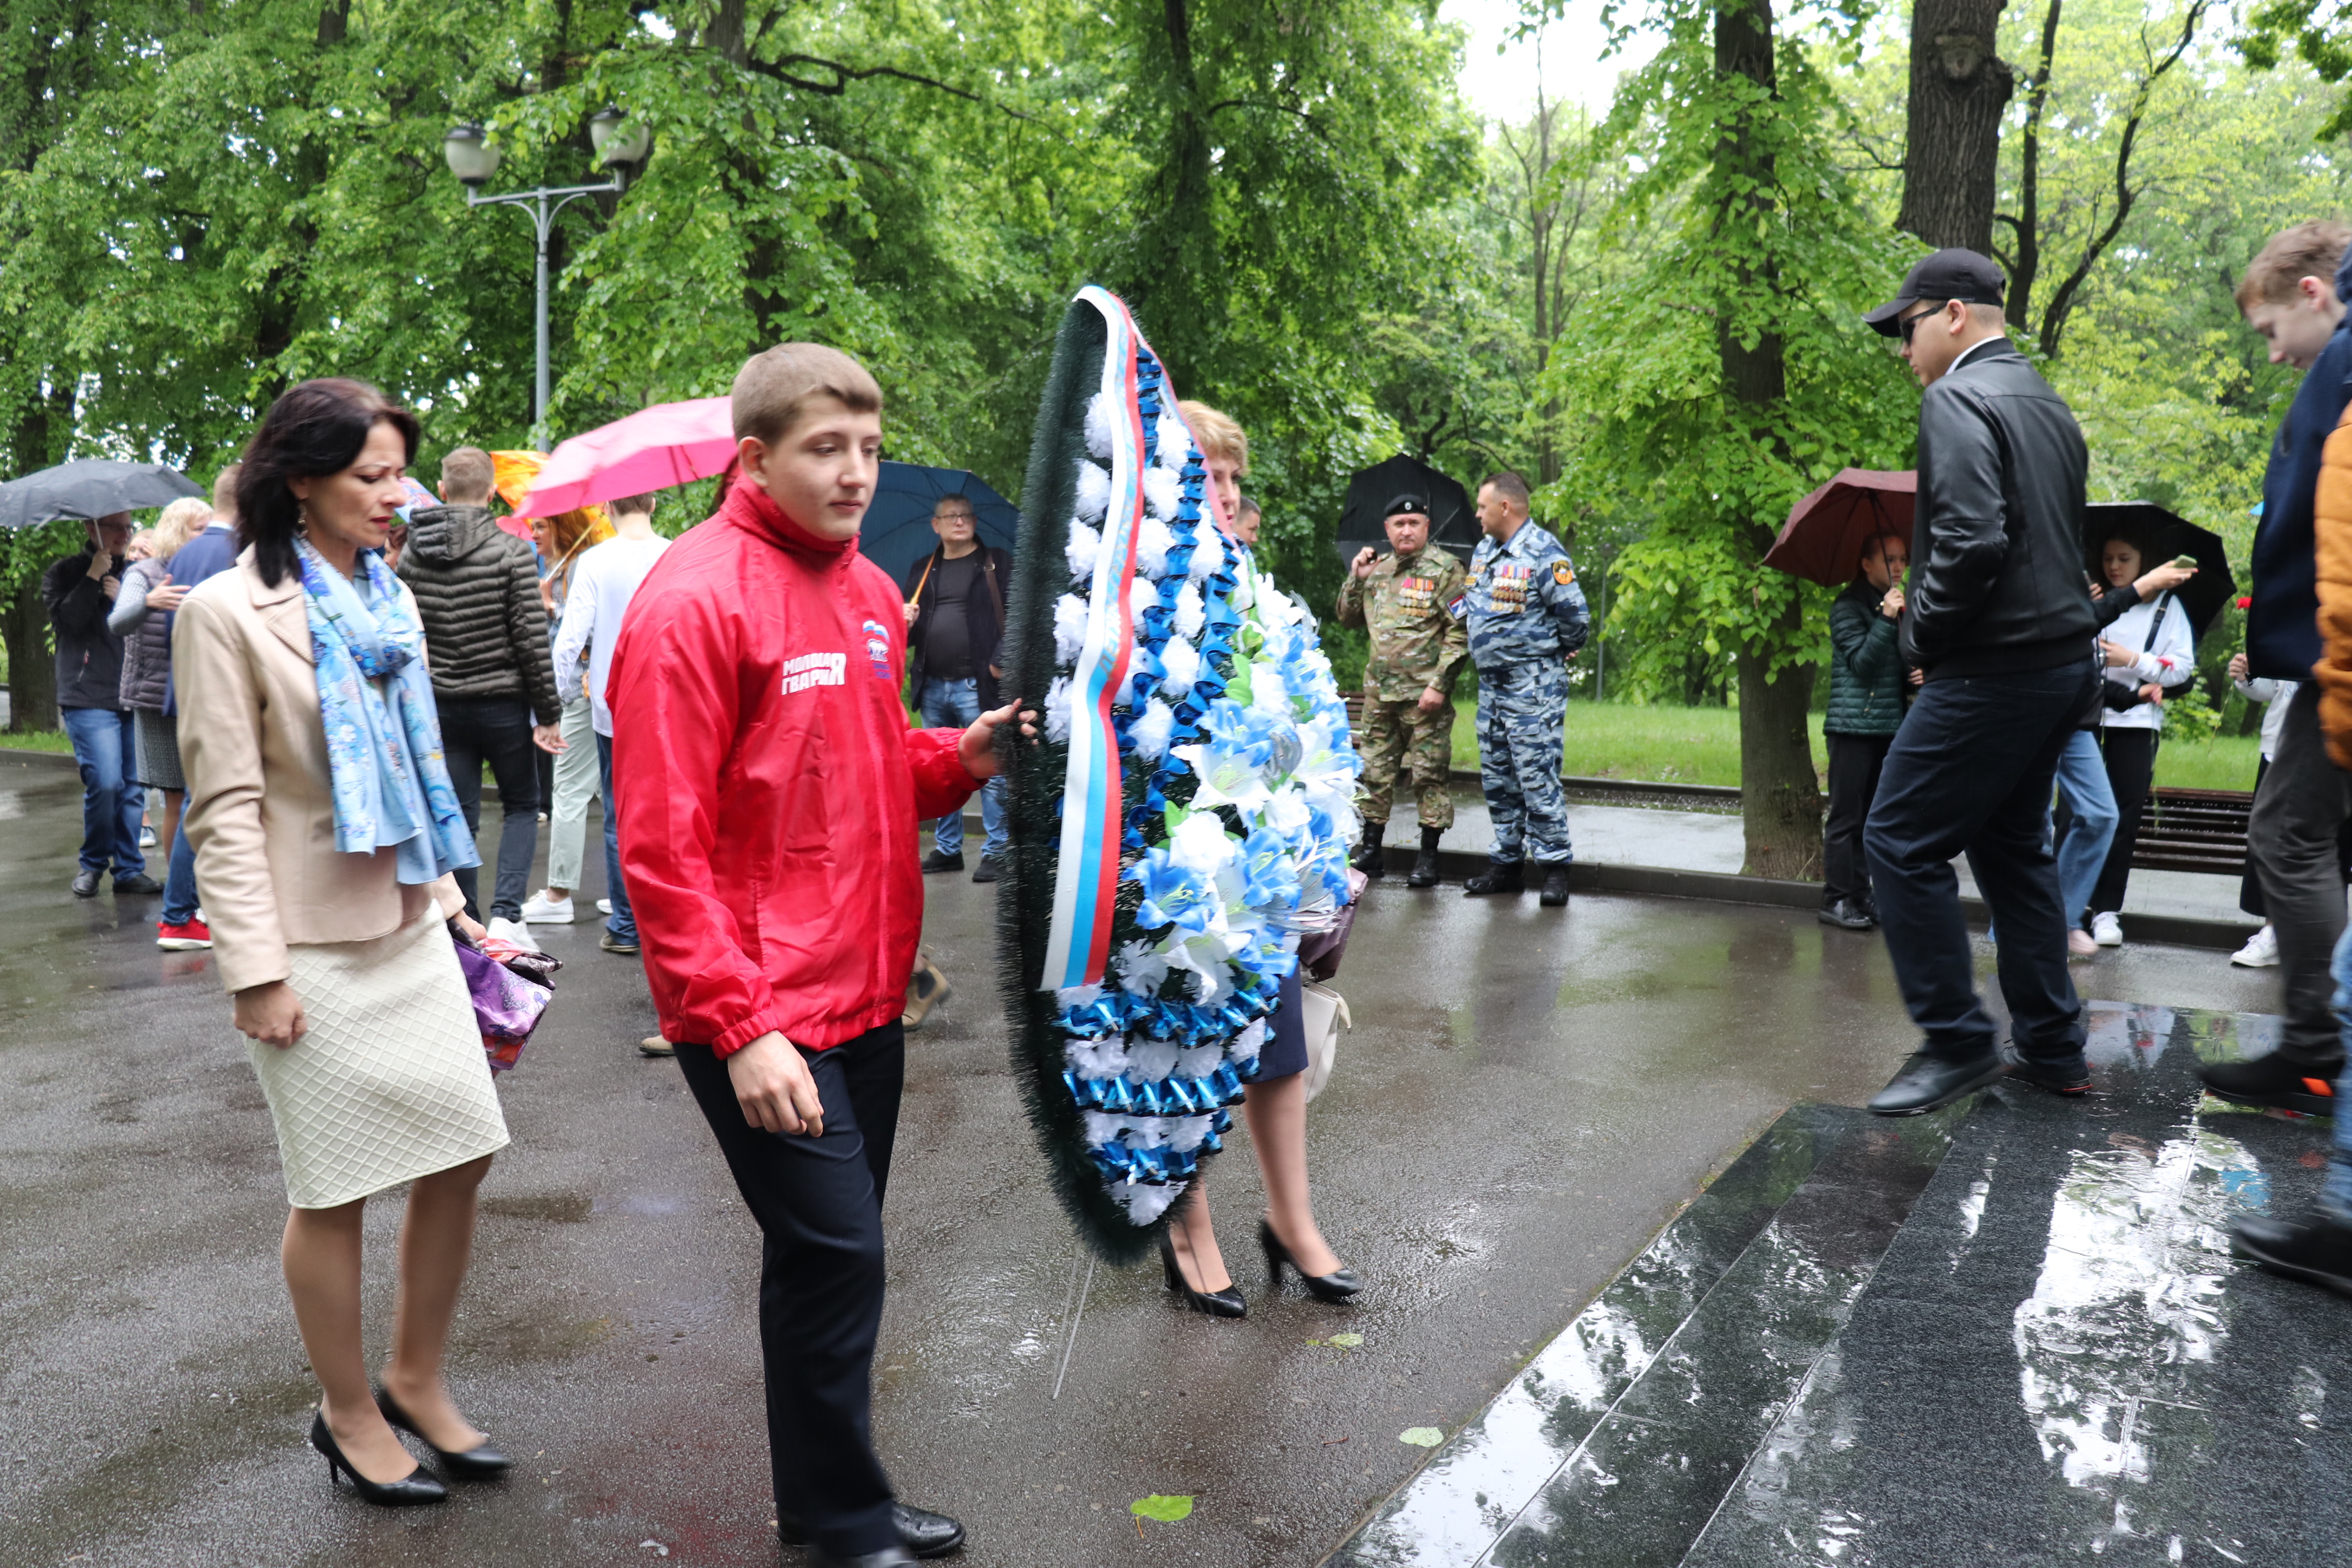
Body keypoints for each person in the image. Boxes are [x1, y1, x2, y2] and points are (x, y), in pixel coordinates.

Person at [611, 344, 1025, 1567]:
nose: (856, 472)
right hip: (762, 1010)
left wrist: (967, 758)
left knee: (825, 1261)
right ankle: (842, 1519)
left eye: (871, 446)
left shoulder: (861, 593)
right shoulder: (693, 600)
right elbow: (662, 847)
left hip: (866, 989)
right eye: (825, 448)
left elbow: (870, 760)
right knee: (840, 1249)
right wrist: (738, 1027)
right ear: (756, 458)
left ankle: (828, 1495)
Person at [175, 377, 509, 1508]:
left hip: (409, 916)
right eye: (370, 476)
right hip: (304, 941)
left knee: (464, 1145)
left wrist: (460, 904)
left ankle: (416, 1376)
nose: (394, 496)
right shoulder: (224, 611)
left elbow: (422, 772)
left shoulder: (390, 595)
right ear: (300, 479)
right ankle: (349, 1408)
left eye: (398, 474)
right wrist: (254, 973)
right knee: (334, 1187)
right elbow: (221, 807)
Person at [1857, 247, 2101, 1117]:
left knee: (1895, 840)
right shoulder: (2045, 401)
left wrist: (1920, 633)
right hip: (2063, 666)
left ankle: (1958, 1039)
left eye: (1907, 328)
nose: (1902, 349)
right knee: (2014, 850)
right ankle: (2052, 1044)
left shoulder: (1958, 396)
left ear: (1953, 313)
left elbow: (1971, 544)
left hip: (1998, 667)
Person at [1151, 398, 1364, 1321]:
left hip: (1264, 867)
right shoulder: (1143, 599)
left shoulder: (1268, 603)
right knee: (1183, 1054)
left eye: (1237, 478)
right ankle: (1187, 1230)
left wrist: (1317, 833)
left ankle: (1293, 1222)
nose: (1229, 494)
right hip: (1172, 873)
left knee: (1276, 1050)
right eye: (1210, 476)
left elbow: (1308, 725)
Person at [2202, 221, 2352, 1118]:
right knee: (2290, 833)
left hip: (2340, 656)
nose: (2270, 357)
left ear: (2311, 294)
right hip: (2329, 652)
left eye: (2269, 335)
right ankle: (2313, 1044)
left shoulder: (2342, 366)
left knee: (2287, 835)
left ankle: (2313, 1047)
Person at [396, 447, 564, 942]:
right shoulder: (512, 552)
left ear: (442, 491)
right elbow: (532, 639)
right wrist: (547, 713)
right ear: (492, 493)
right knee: (520, 804)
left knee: (458, 814)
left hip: (442, 706)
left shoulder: (410, 555)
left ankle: (463, 922)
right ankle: (506, 916)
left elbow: (409, 636)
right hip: (503, 703)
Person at [1459, 471, 1590, 907]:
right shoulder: (1483, 552)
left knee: (1536, 775)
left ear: (1505, 507)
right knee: (1498, 777)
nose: (1477, 514)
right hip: (1492, 687)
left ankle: (1554, 868)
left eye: (1482, 506)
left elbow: (1576, 618)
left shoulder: (1544, 552)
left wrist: (1553, 652)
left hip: (1532, 685)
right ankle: (1507, 865)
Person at [549, 491, 669, 961]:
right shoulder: (673, 554)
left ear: (609, 509)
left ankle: (626, 924)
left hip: (613, 706)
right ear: (654, 504)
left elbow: (569, 640)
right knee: (667, 814)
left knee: (621, 816)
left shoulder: (595, 562)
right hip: (667, 703)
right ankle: (666, 920)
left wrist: (563, 692)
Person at [1337, 496, 1468, 887]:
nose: (1406, 530)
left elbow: (1459, 634)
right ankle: (1372, 851)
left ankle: (1428, 857)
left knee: (1428, 776)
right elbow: (1346, 617)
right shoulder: (1378, 571)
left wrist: (1439, 686)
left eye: (1414, 522)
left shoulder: (1447, 570)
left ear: (1427, 527)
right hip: (1380, 697)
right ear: (1387, 530)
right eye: (1399, 523)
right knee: (1374, 774)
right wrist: (1356, 577)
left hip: (1424, 698)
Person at [2081, 533, 2196, 948]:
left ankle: (2107, 910)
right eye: (2108, 558)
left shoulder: (2167, 607)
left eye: (2124, 559)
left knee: (2123, 817)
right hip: (2086, 717)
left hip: (2139, 722)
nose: (2115, 566)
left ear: (2143, 560)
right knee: (2078, 815)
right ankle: (2072, 906)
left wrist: (2131, 660)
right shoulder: (2092, 598)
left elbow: (2181, 670)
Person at [109, 496, 214, 946]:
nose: (206, 536)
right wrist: (150, 602)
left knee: (205, 797)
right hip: (156, 701)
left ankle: (201, 892)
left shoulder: (208, 569)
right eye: (198, 528)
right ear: (175, 529)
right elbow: (117, 622)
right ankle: (183, 899)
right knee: (177, 799)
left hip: (200, 696)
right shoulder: (145, 573)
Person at [152, 466, 247, 936]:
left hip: (185, 689)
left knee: (199, 799)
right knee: (204, 802)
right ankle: (179, 916)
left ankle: (187, 911)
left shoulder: (186, 554)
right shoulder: (240, 554)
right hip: (222, 695)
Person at [45, 510, 160, 898]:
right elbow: (68, 623)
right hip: (86, 693)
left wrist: (122, 602)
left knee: (132, 787)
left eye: (129, 527)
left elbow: (151, 630)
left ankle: (128, 869)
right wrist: (93, 577)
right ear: (90, 528)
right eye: (115, 526)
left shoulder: (137, 575)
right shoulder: (65, 573)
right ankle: (93, 864)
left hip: (131, 690)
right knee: (106, 781)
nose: (124, 534)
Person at [901, 492, 1012, 881]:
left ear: (975, 522)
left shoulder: (996, 562)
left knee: (990, 769)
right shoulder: (922, 569)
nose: (959, 522)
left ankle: (997, 850)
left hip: (976, 684)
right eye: (950, 517)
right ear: (937, 525)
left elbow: (1019, 614)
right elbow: (907, 640)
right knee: (941, 769)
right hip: (933, 685)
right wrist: (904, 622)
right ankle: (948, 850)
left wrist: (1002, 659)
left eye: (965, 515)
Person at [520, 506, 614, 926]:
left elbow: (583, 635)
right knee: (608, 794)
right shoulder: (562, 567)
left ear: (562, 526)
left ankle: (558, 894)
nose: (534, 532)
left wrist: (549, 607)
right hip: (595, 692)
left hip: (580, 693)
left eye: (540, 525)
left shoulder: (577, 567)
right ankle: (624, 894)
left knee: (570, 793)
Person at [1820, 531, 1910, 930]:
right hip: (1852, 726)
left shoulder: (1899, 606)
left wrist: (1916, 675)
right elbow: (1862, 663)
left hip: (1887, 726)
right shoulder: (1846, 607)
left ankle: (1861, 894)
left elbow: (1898, 665)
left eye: (1902, 559)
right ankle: (1836, 899)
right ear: (1867, 564)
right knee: (1845, 818)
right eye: (1889, 559)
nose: (1898, 567)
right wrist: (1887, 617)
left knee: (1872, 818)